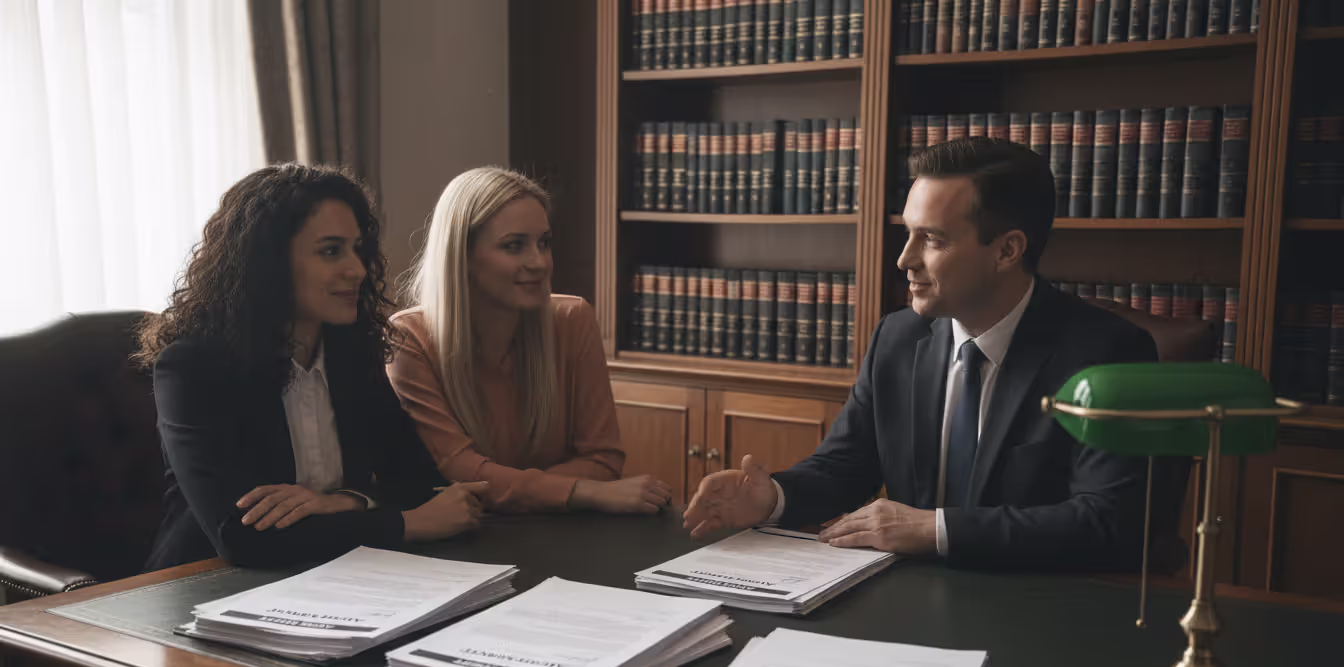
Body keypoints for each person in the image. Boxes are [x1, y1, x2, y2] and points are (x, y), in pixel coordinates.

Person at [684, 137, 1162, 570]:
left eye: (932, 239)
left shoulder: (1108, 356)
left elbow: (1106, 522)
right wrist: (773, 498)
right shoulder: (898, 336)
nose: (904, 259)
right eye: (909, 233)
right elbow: (846, 466)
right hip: (905, 598)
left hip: (1036, 605)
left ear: (1008, 250)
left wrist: (933, 530)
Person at [137, 164, 487, 572]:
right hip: (203, 586)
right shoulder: (192, 368)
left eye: (357, 249)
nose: (356, 270)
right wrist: (405, 524)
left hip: (338, 578)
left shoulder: (351, 351)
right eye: (330, 251)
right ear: (268, 264)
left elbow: (419, 482)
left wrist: (340, 501)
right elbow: (242, 538)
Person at [388, 167, 671, 515]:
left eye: (544, 243)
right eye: (514, 246)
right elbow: (460, 473)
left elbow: (603, 459)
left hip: (562, 531)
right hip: (463, 539)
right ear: (462, 256)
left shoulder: (572, 319)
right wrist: (584, 491)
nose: (539, 262)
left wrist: (515, 490)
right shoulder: (408, 339)